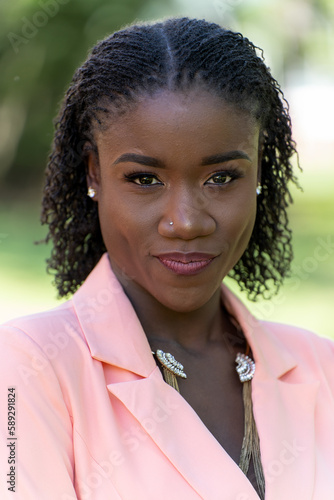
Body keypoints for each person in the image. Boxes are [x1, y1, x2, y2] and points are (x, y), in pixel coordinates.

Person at [0, 17, 333, 500]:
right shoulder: (25, 370)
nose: (186, 222)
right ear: (94, 175)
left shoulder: (319, 366)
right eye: (143, 179)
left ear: (259, 171)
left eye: (221, 178)